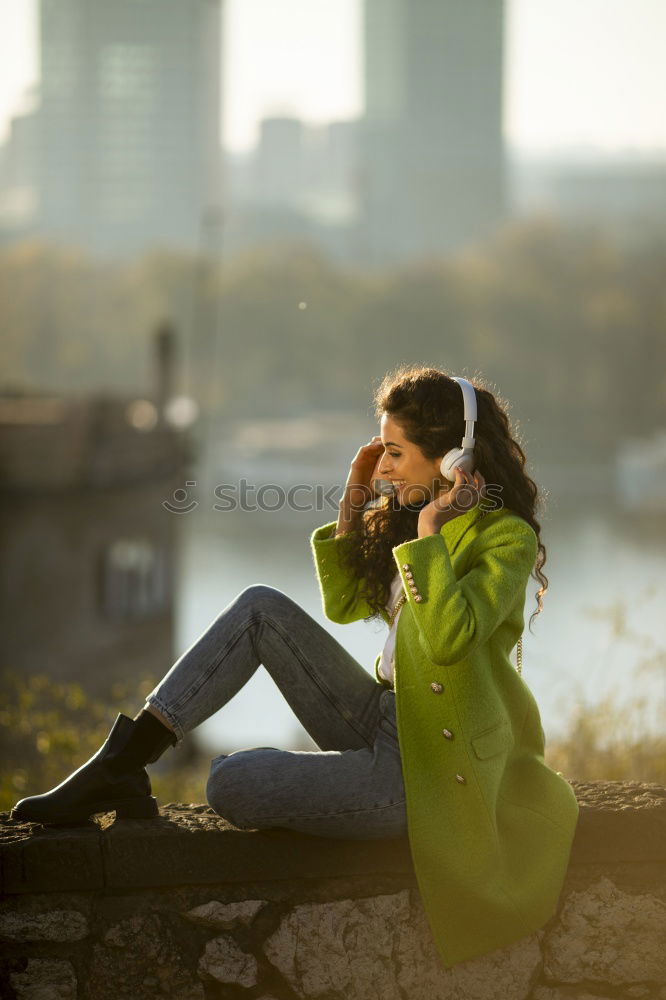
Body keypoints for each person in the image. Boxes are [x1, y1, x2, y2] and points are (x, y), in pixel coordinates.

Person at [11, 365, 579, 970]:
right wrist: (354, 497)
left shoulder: (503, 540)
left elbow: (449, 638)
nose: (383, 466)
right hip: (390, 719)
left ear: (452, 460)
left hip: (432, 774)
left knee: (227, 782)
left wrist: (431, 531)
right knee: (261, 608)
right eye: (379, 451)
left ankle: (157, 772)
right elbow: (344, 606)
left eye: (393, 452)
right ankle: (124, 762)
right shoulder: (407, 517)